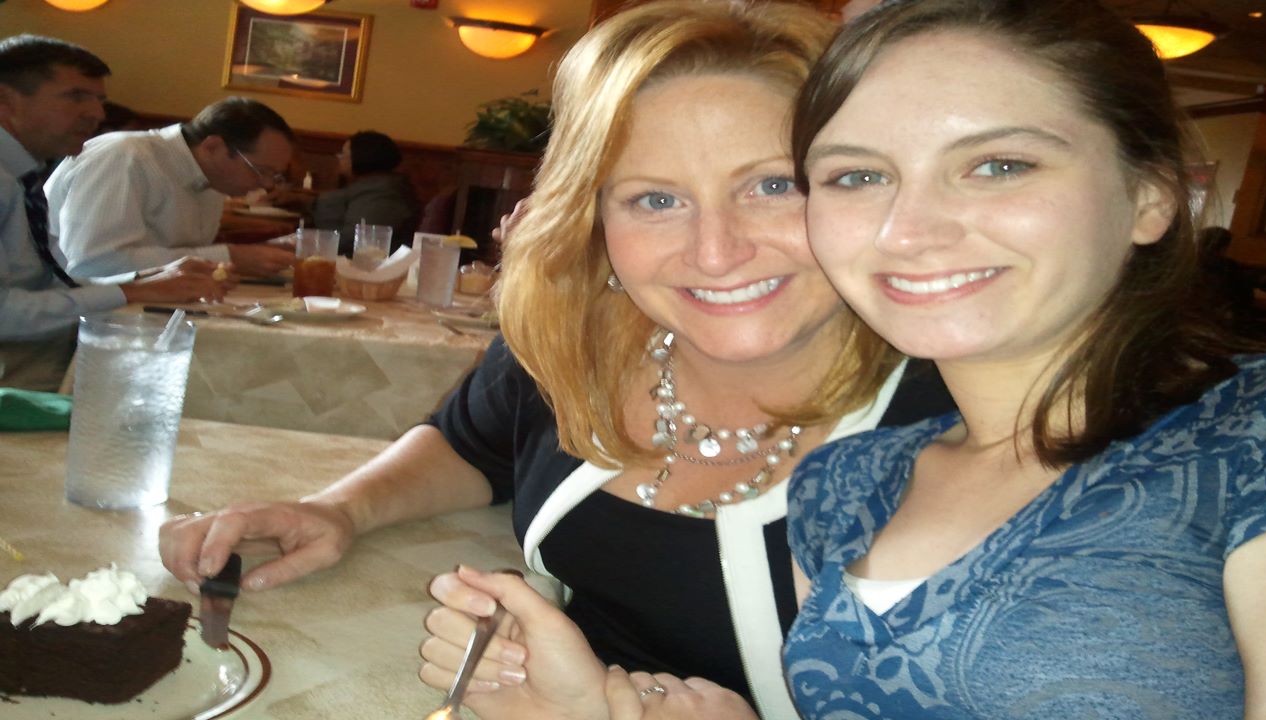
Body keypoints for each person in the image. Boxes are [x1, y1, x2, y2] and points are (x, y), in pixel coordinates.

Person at [422, 0, 1266, 718]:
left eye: (997, 164)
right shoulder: (856, 483)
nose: (907, 232)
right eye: (858, 177)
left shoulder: (1252, 441)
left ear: (1154, 192)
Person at [157, 2, 952, 718]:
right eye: (655, 199)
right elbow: (469, 445)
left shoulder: (960, 423)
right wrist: (340, 509)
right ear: (593, 218)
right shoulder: (580, 338)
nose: (716, 251)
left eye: (774, 185)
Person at [0, 34, 233, 391]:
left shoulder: (21, 176)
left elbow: (50, 283)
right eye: (76, 96)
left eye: (98, 100)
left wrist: (146, 281)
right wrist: (130, 292)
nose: (98, 114)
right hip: (20, 374)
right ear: (6, 101)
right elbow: (5, 315)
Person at [45, 96, 296, 279]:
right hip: (60, 312)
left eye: (274, 175)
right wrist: (229, 257)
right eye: (261, 171)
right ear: (213, 147)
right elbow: (93, 265)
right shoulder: (126, 157)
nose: (265, 185)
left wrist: (250, 253)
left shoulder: (211, 180)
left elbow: (176, 255)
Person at [311, 130, 419, 256]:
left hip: (369, 268)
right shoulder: (376, 186)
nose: (339, 158)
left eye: (343, 154)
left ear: (361, 157)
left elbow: (354, 240)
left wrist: (307, 241)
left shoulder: (383, 195)